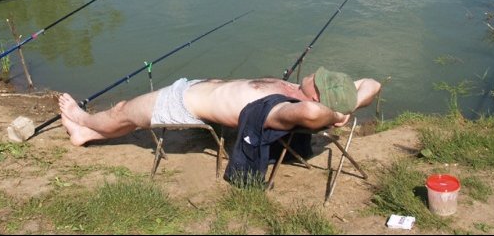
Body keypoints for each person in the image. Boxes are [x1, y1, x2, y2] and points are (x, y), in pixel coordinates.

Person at [58, 66, 382, 147]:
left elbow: (313, 115)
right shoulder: (302, 93)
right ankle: (87, 134)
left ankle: (83, 119)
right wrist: (346, 109)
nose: (314, 73)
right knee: (130, 114)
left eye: (318, 79)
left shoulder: (286, 110)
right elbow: (372, 84)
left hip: (184, 104)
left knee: (123, 111)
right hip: (197, 88)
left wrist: (334, 114)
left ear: (316, 97)